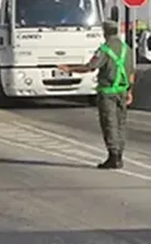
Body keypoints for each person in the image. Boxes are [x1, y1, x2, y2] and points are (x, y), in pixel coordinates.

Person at [58, 20, 135, 170]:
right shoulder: (127, 49)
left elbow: (90, 67)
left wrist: (69, 69)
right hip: (122, 91)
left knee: (109, 124)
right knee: (120, 124)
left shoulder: (105, 49)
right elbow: (132, 73)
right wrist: (130, 92)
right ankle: (119, 155)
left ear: (104, 32)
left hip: (107, 92)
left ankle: (113, 156)